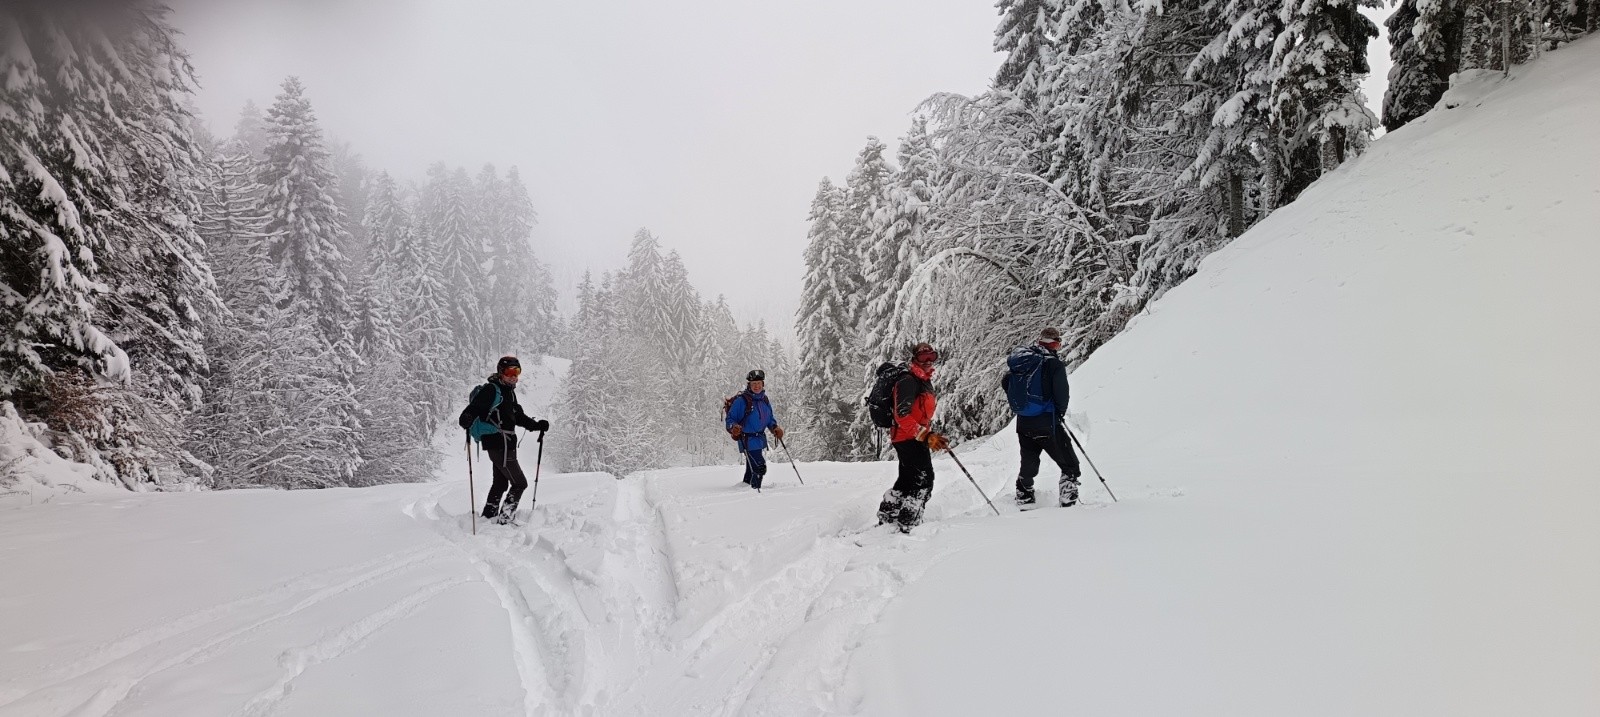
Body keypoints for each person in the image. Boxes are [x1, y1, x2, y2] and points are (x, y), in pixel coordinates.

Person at [458, 355, 550, 523]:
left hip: (505, 445)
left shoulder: (509, 393)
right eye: (509, 371)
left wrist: (538, 426)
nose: (513, 375)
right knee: (520, 483)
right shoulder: (492, 390)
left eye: (517, 371)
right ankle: (505, 519)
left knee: (500, 484)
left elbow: (519, 418)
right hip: (499, 445)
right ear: (501, 372)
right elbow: (473, 409)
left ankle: (488, 516)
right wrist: (466, 417)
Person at [1001, 327, 1081, 507]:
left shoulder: (1023, 362)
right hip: (1046, 420)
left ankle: (1024, 494)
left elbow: (1006, 382)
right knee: (1068, 461)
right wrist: (1058, 413)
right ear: (1054, 343)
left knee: (1029, 459)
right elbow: (1062, 394)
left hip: (1023, 421)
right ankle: (1068, 498)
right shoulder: (1053, 364)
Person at [877, 343, 946, 532]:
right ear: (915, 359)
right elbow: (902, 415)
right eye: (924, 358)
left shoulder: (922, 380)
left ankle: (889, 513)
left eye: (932, 356)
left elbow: (920, 412)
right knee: (924, 479)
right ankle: (909, 521)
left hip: (911, 436)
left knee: (908, 478)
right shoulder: (908, 380)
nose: (929, 361)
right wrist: (925, 435)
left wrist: (927, 433)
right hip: (910, 437)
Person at [726, 369, 784, 490]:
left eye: (759, 383)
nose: (756, 386)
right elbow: (730, 419)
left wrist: (775, 428)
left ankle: (745, 486)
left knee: (751, 467)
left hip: (759, 439)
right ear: (749, 385)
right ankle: (753, 493)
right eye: (754, 384)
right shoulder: (741, 401)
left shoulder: (764, 400)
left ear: (763, 384)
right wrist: (734, 428)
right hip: (747, 439)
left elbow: (769, 419)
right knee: (759, 466)